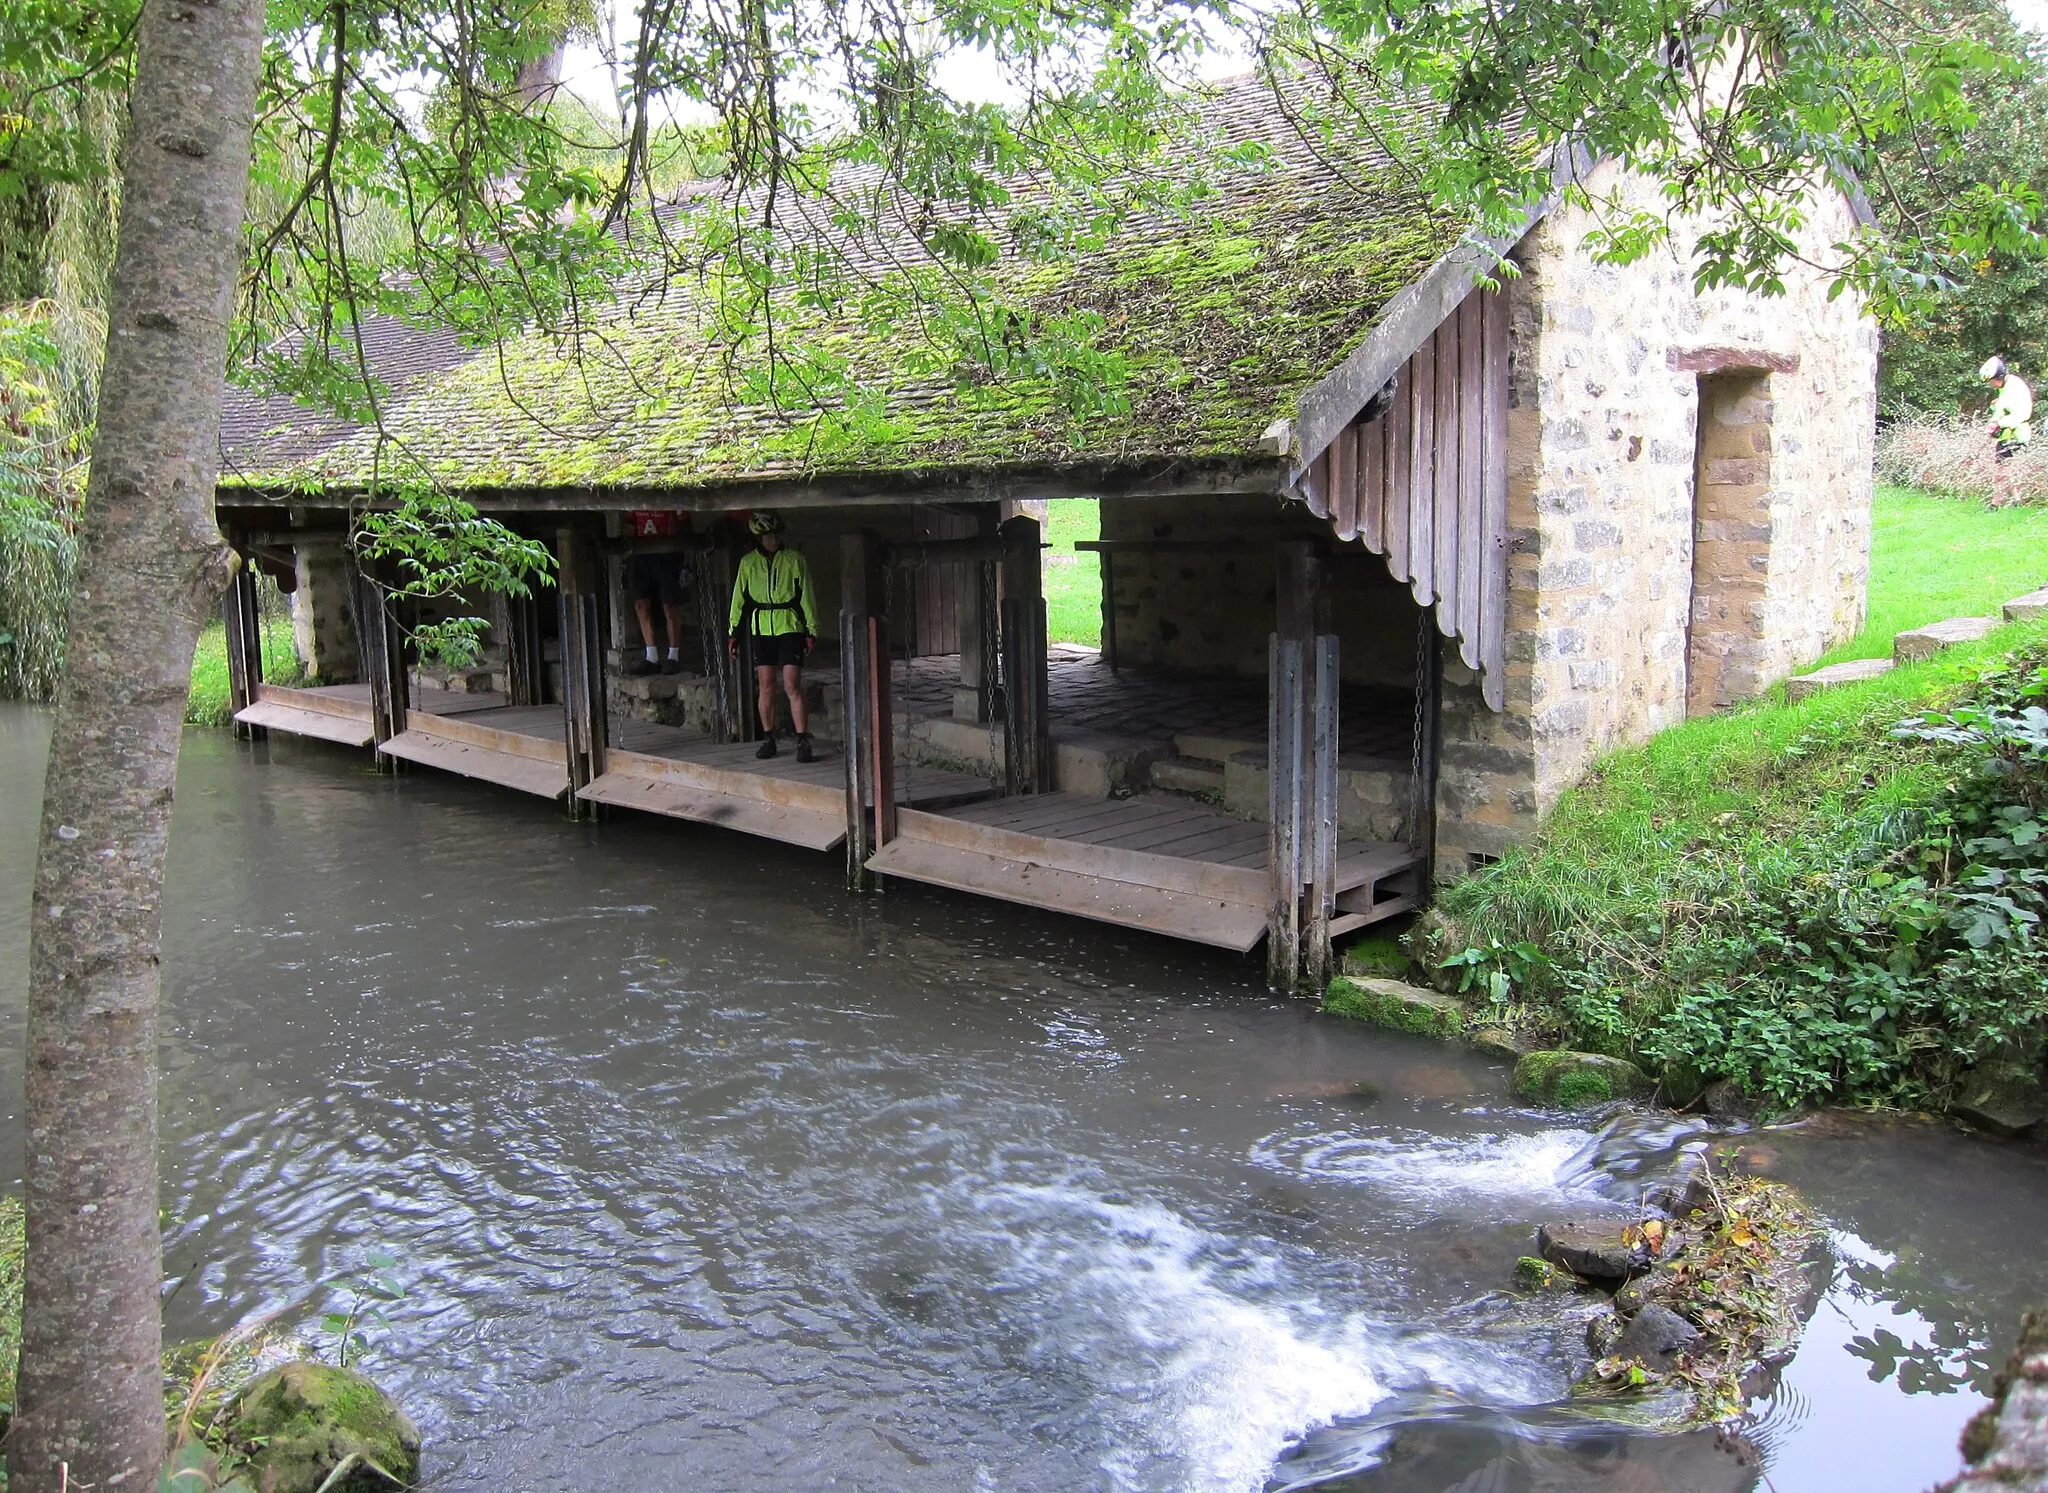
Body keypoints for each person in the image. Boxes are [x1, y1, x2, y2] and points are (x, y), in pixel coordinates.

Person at [727, 510, 820, 761]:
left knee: (792, 684)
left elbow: (806, 596)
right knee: (766, 685)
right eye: (767, 536)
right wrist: (733, 631)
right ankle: (769, 737)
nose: (773, 540)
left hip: (790, 624)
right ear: (759, 537)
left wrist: (811, 629)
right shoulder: (748, 563)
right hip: (761, 627)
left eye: (776, 535)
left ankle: (802, 740)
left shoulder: (795, 559)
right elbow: (739, 598)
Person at [625, 509, 691, 676]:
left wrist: (686, 560)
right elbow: (629, 524)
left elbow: (686, 525)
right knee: (641, 604)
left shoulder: (671, 493)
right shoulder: (634, 495)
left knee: (669, 605)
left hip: (668, 553)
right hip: (641, 554)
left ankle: (673, 657)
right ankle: (651, 657)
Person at [1981, 355, 2033, 507]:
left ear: (1999, 376)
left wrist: (1998, 424)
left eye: (1991, 381)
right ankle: (2017, 501)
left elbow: (2021, 413)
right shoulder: (2006, 386)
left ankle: (1994, 505)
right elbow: (2002, 409)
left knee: (2000, 472)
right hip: (2007, 434)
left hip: (2016, 434)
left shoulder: (2014, 388)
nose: (1991, 385)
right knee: (2006, 469)